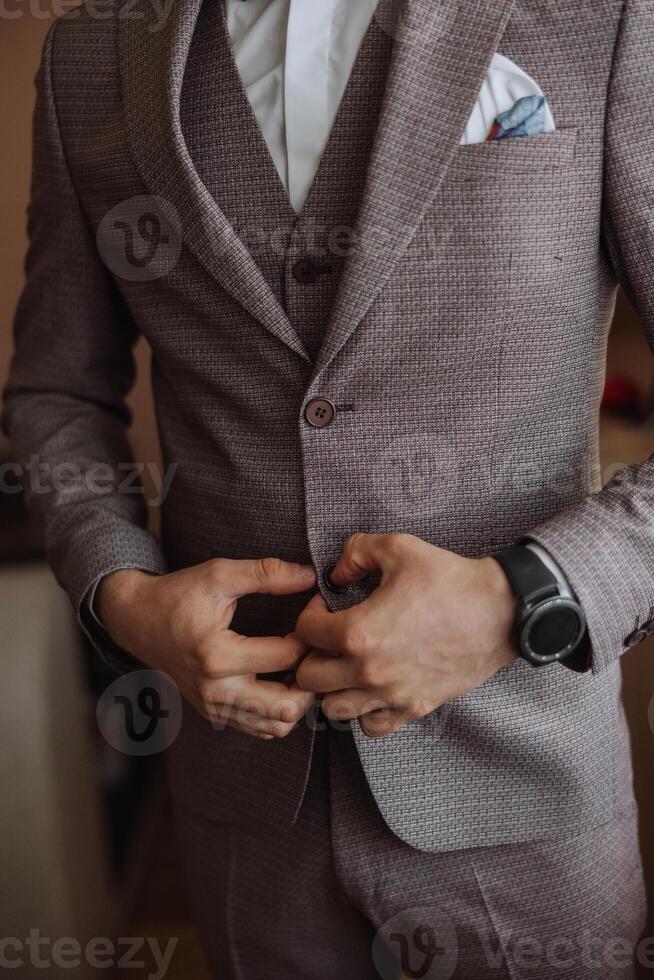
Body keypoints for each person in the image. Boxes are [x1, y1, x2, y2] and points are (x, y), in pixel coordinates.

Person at [4, 0, 653, 976]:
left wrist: (524, 595)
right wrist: (124, 594)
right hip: (245, 811)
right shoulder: (91, 50)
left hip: (526, 800)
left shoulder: (605, 19)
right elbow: (56, 390)